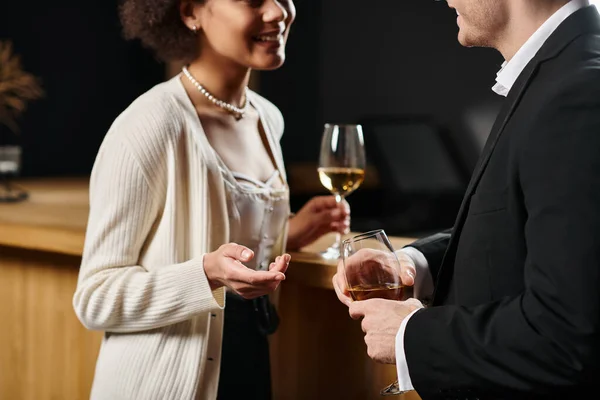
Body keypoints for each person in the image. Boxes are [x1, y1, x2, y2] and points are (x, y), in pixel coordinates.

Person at [72, 1, 350, 399]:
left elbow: (224, 238)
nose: (277, 11)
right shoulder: (149, 125)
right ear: (190, 13)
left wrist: (288, 233)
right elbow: (95, 299)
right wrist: (205, 274)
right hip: (163, 385)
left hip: (250, 362)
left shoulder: (267, 118)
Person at [333, 0, 600, 399]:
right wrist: (412, 263)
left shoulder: (578, 91)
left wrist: (410, 336)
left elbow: (565, 335)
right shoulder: (560, 72)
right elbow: (522, 229)